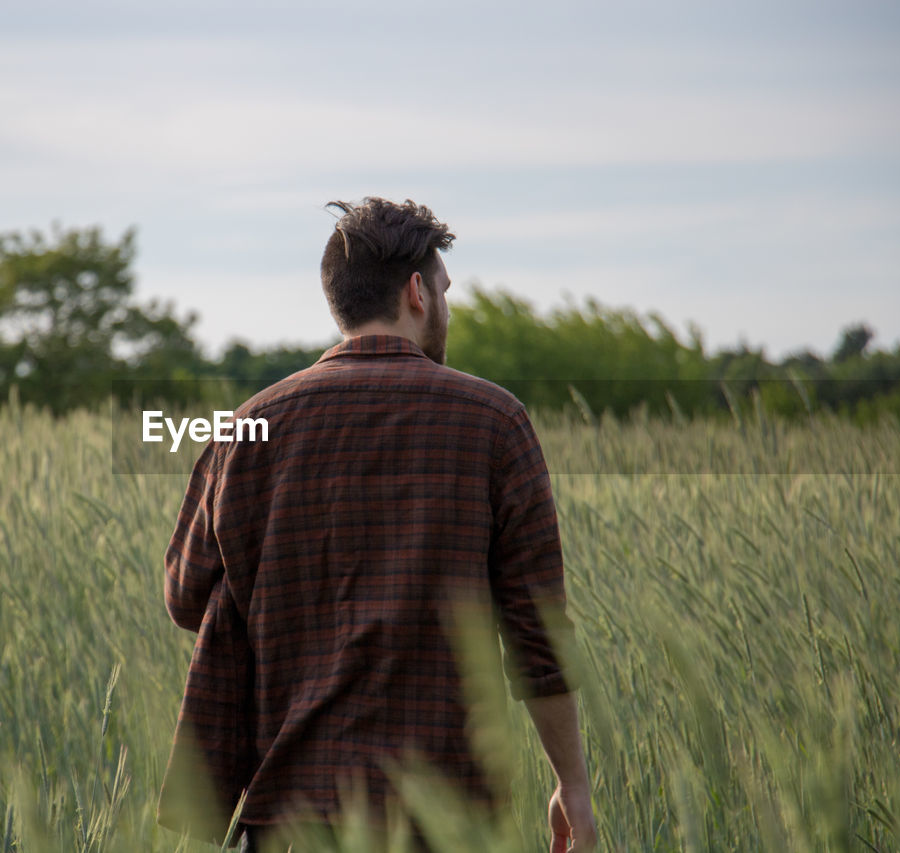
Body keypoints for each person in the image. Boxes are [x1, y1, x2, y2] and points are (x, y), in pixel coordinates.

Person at [158, 197, 598, 852]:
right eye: (445, 289)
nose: (446, 304)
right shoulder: (494, 422)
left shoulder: (247, 429)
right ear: (417, 291)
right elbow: (539, 636)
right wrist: (573, 785)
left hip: (293, 815)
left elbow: (186, 596)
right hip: (447, 821)